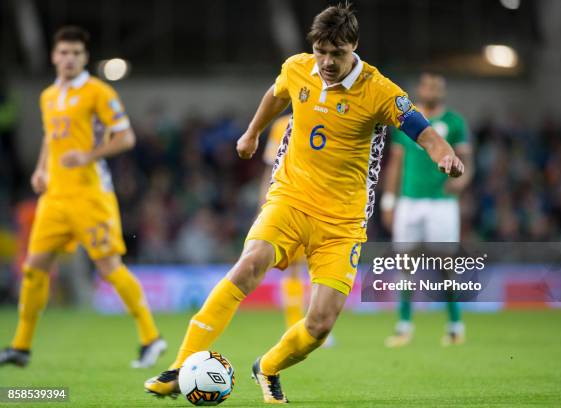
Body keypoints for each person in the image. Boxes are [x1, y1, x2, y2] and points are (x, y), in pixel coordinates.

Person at [145, 4, 464, 403]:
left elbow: (422, 131)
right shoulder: (297, 67)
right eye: (321, 51)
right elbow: (276, 94)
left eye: (338, 53)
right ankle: (180, 365)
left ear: (355, 47)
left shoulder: (379, 90)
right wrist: (252, 133)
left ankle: (268, 367)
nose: (327, 62)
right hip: (291, 196)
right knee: (249, 264)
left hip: (343, 222)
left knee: (320, 324)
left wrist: (444, 154)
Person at [0, 26, 166, 369]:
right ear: (54, 56)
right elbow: (50, 137)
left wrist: (88, 155)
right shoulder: (48, 95)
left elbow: (126, 138)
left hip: (90, 195)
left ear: (85, 58)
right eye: (63, 52)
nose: (69, 59)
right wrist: (41, 169)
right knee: (33, 269)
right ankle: (21, 346)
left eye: (76, 53)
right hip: (54, 198)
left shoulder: (98, 92)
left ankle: (151, 338)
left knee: (109, 268)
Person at [382, 73, 473, 348]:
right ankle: (404, 326)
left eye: (437, 85)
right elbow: (396, 163)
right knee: (404, 264)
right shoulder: (407, 120)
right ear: (419, 89)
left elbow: (467, 161)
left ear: (442, 91)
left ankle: (455, 325)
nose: (432, 89)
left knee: (446, 265)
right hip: (409, 201)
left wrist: (462, 182)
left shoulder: (454, 122)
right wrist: (389, 200)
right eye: (428, 85)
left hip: (441, 203)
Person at [260, 113, 334, 347]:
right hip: (290, 203)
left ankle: (315, 326)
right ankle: (294, 325)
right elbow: (271, 167)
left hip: (323, 205)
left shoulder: (332, 119)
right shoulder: (282, 125)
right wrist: (265, 202)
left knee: (319, 267)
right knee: (292, 269)